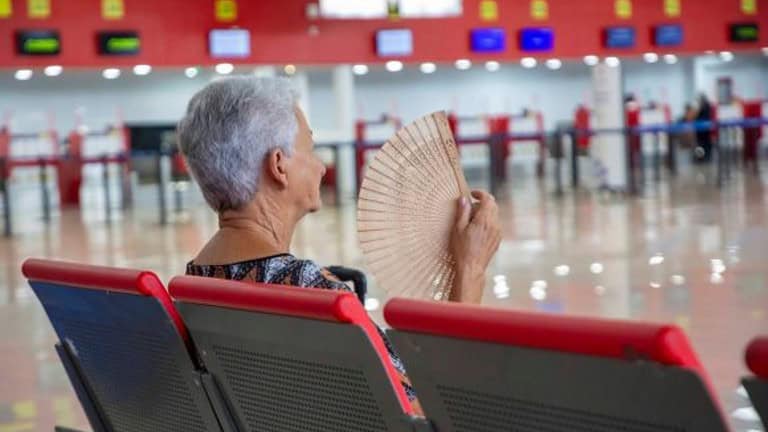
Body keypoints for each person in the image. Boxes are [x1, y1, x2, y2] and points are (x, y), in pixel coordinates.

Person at [176, 76, 502, 413]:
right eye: (311, 150)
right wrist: (470, 268)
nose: (320, 167)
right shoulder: (312, 295)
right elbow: (431, 410)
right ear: (278, 166)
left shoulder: (195, 282)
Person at [695, 93, 714, 163]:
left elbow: (704, 118)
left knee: (704, 145)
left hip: (704, 131)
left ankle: (703, 158)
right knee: (703, 145)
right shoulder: (704, 106)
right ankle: (702, 157)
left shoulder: (705, 107)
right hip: (702, 131)